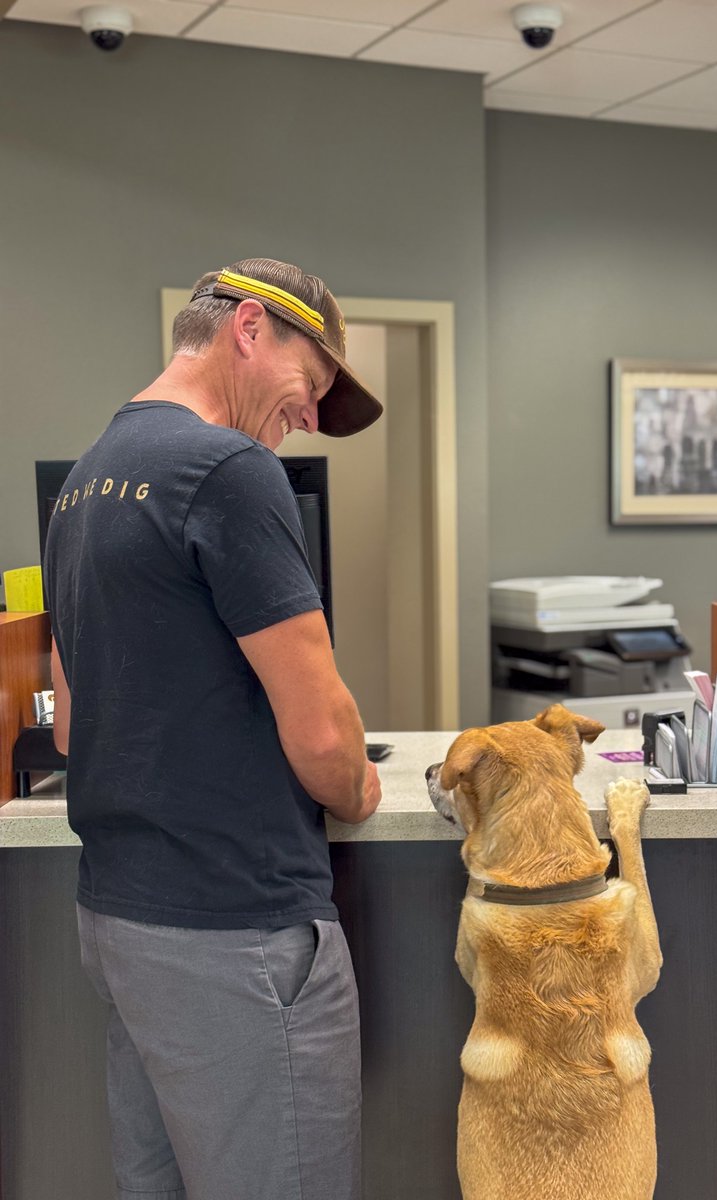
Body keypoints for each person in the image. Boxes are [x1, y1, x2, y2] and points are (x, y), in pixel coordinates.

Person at [44, 258, 384, 1200]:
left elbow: (72, 726)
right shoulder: (228, 468)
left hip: (120, 923)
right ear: (247, 328)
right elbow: (323, 739)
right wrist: (362, 784)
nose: (310, 417)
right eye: (309, 385)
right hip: (238, 930)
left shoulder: (83, 483)